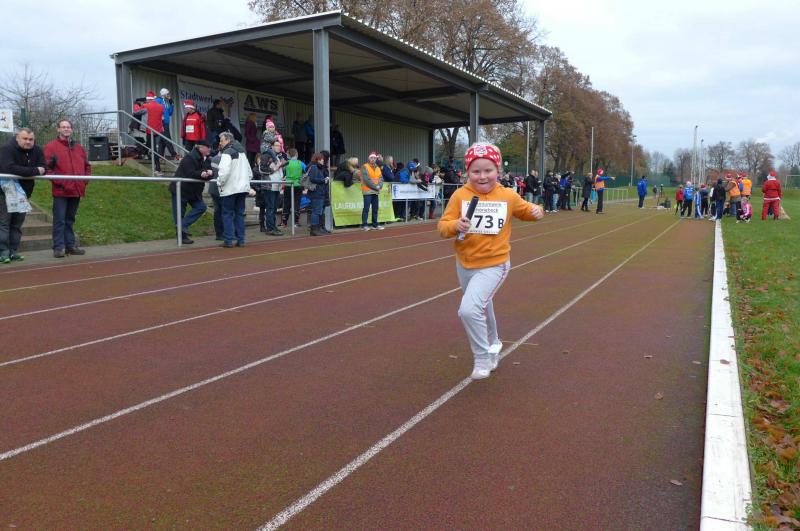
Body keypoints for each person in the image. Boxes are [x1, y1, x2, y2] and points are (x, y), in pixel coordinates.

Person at [437, 142, 544, 380]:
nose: (482, 176)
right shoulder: (460, 195)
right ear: (467, 172)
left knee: (469, 310)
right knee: (482, 306)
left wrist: (537, 210)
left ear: (498, 170)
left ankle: (482, 357)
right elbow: (442, 227)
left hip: (495, 263)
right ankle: (494, 343)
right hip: (465, 263)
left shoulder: (507, 195)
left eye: (488, 170)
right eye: (476, 171)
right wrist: (455, 225)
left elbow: (526, 210)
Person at [44, 120, 90, 258]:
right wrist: (61, 182)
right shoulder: (51, 147)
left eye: (68, 127)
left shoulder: (79, 148)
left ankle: (70, 245)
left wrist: (84, 181)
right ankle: (58, 247)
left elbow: (87, 166)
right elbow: (47, 168)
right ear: (58, 129)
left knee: (70, 219)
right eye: (63, 127)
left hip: (76, 189)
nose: (66, 129)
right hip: (61, 190)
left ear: (71, 129)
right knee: (59, 220)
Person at [0, 127, 46, 263]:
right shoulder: (6, 149)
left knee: (17, 225)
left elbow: (44, 167)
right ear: (17, 138)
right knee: (4, 223)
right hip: (5, 193)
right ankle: (3, 252)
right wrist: (34, 170)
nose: (28, 142)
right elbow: (9, 168)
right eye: (25, 138)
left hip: (24, 194)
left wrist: (31, 171)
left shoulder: (37, 150)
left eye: (31, 139)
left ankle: (13, 251)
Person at [170, 140, 212, 244]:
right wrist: (202, 174)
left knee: (201, 207)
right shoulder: (189, 158)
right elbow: (190, 173)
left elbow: (210, 174)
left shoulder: (207, 159)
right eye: (208, 148)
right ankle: (182, 237)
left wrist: (209, 173)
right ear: (201, 148)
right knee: (179, 213)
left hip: (194, 191)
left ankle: (182, 225)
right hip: (181, 189)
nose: (209, 150)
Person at [216, 131, 254, 247]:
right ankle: (241, 240)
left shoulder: (227, 152)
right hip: (242, 189)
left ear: (228, 140)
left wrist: (219, 183)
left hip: (230, 189)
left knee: (227, 214)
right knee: (239, 214)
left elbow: (224, 172)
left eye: (222, 141)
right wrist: (245, 183)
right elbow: (249, 172)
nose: (220, 143)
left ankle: (228, 240)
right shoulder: (242, 152)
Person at [259, 139, 287, 236]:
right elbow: (262, 169)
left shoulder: (279, 156)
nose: (278, 147)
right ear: (272, 146)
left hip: (277, 186)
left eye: (279, 145)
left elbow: (281, 168)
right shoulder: (266, 155)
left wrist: (282, 174)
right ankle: (270, 228)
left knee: (274, 208)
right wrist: (275, 169)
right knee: (270, 208)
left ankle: (273, 227)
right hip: (269, 186)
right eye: (276, 145)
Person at [281, 148, 306, 227]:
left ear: (289, 155)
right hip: (298, 185)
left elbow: (283, 173)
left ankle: (284, 222)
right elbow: (306, 172)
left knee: (286, 203)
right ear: (296, 154)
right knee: (297, 203)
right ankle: (296, 222)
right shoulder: (300, 163)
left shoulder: (286, 163)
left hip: (288, 185)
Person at [142, 91, 165, 175]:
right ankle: (145, 153)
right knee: (152, 146)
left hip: (149, 130)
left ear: (148, 99)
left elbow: (138, 112)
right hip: (158, 130)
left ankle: (158, 168)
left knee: (153, 148)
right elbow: (162, 117)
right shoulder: (161, 106)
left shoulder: (145, 106)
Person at [360, 151, 384, 230]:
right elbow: (366, 180)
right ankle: (364, 225)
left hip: (375, 191)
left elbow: (381, 178)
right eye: (371, 158)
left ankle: (375, 224)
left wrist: (380, 186)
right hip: (367, 191)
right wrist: (376, 187)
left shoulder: (378, 168)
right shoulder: (364, 167)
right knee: (366, 208)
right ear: (369, 159)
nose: (373, 159)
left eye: (374, 158)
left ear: (376, 159)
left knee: (375, 208)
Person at [307, 152, 329, 236]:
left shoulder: (318, 167)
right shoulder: (314, 167)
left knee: (318, 211)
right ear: (318, 159)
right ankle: (314, 229)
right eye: (322, 159)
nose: (323, 160)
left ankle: (318, 228)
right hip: (316, 193)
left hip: (319, 192)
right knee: (316, 211)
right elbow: (312, 179)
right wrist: (324, 180)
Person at [155, 88, 178, 160]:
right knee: (167, 138)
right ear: (164, 94)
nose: (168, 95)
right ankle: (174, 154)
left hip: (166, 122)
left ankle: (160, 155)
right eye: (167, 94)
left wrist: (172, 104)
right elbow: (156, 110)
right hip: (162, 123)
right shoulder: (158, 100)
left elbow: (170, 113)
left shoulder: (166, 102)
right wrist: (160, 117)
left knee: (163, 139)